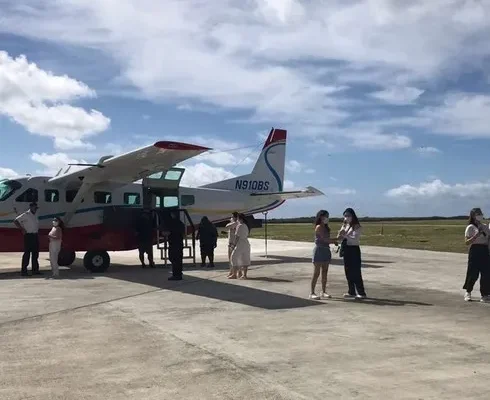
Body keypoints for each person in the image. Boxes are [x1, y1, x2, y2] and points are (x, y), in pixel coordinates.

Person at [337, 207, 366, 299]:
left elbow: (354, 238)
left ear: (352, 216)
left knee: (356, 271)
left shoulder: (357, 226)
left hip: (354, 249)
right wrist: (340, 233)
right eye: (345, 216)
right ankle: (351, 291)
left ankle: (361, 292)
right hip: (346, 249)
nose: (346, 218)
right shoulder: (345, 225)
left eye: (348, 216)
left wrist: (345, 235)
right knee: (348, 271)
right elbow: (340, 237)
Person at [463, 208, 490, 302]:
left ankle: (485, 294)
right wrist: (475, 236)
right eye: (478, 214)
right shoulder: (470, 227)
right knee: (472, 273)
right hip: (475, 250)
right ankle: (468, 292)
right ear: (473, 215)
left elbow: (488, 240)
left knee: (486, 274)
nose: (480, 215)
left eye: (481, 213)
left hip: (485, 250)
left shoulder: (485, 226)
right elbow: (466, 242)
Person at [310, 210, 336, 300]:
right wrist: (335, 240)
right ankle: (312, 292)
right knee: (316, 273)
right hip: (319, 251)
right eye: (326, 216)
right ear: (321, 217)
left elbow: (327, 239)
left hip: (326, 250)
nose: (327, 218)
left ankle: (323, 291)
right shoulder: (318, 227)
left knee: (325, 272)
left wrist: (334, 241)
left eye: (328, 216)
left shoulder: (326, 228)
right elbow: (325, 239)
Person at [13, 202, 41, 276]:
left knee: (35, 254)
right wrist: (22, 229)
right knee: (27, 254)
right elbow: (16, 221)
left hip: (35, 235)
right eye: (34, 208)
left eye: (36, 208)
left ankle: (35, 270)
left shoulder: (36, 215)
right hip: (29, 236)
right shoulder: (26, 214)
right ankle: (24, 271)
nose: (35, 209)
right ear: (31, 207)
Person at [165, 210, 185, 281]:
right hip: (179, 244)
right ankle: (179, 273)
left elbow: (167, 232)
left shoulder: (172, 223)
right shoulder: (180, 223)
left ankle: (176, 275)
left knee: (174, 259)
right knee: (178, 259)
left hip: (173, 244)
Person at [230, 213, 251, 279]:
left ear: (240, 219)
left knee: (233, 258)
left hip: (240, 244)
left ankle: (234, 274)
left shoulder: (240, 226)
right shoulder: (246, 225)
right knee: (245, 258)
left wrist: (233, 245)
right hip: (246, 243)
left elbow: (237, 237)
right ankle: (244, 275)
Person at [224, 212, 239, 277]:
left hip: (233, 243)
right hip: (231, 242)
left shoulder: (235, 223)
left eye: (232, 217)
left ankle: (233, 272)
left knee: (232, 258)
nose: (231, 218)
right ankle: (231, 271)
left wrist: (232, 222)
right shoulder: (236, 223)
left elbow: (227, 226)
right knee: (231, 259)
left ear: (235, 217)